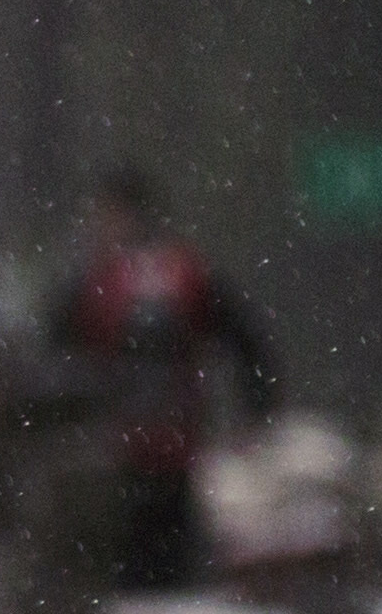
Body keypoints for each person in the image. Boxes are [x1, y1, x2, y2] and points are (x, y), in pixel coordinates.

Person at [49, 167, 282, 588]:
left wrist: (258, 408)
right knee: (168, 565)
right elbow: (248, 340)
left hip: (132, 453)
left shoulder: (102, 280)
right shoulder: (183, 272)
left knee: (134, 566)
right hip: (159, 448)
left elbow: (55, 358)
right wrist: (259, 405)